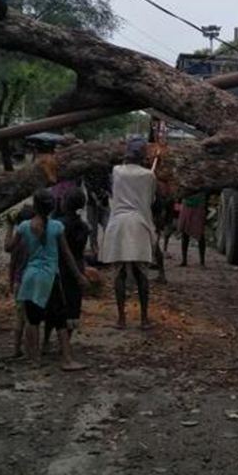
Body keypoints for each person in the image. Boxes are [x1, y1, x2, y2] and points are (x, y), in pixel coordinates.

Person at [101, 138, 157, 329]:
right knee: (142, 274)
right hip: (139, 225)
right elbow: (149, 202)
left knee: (119, 273)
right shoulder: (149, 176)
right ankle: (143, 319)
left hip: (118, 224)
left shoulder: (116, 171)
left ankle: (121, 319)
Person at [46, 187, 91, 370]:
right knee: (72, 308)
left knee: (54, 306)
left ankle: (47, 341)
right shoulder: (83, 226)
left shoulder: (57, 224)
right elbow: (78, 251)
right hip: (77, 268)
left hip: (59, 269)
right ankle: (63, 345)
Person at [4, 204, 36, 358]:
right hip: (34, 281)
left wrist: (10, 282)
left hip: (19, 281)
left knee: (19, 318)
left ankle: (16, 349)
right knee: (31, 318)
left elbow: (11, 260)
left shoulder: (18, 240)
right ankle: (31, 350)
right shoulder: (37, 238)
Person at [177, 192, 208, 267]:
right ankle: (184, 260)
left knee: (199, 233)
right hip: (187, 203)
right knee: (185, 233)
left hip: (198, 204)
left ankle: (202, 261)